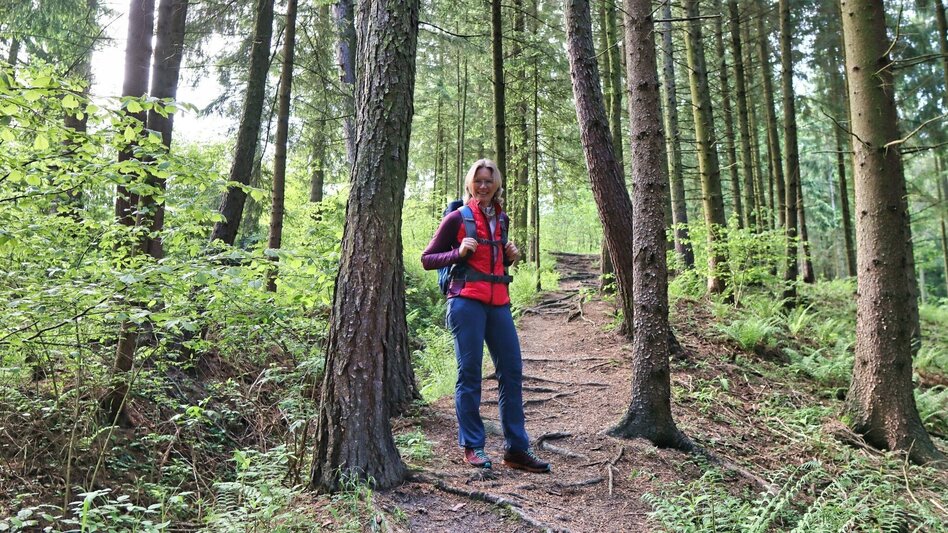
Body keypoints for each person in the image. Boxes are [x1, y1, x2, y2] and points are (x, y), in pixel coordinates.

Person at [421, 159, 551, 473]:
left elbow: (497, 265)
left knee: (511, 372)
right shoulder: (457, 218)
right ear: (470, 183)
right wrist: (457, 252)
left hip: (499, 303)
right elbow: (427, 259)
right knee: (470, 375)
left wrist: (511, 257)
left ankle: (517, 450)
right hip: (465, 302)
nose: (483, 186)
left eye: (488, 181)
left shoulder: (502, 219)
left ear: (496, 185)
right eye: (477, 180)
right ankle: (473, 446)